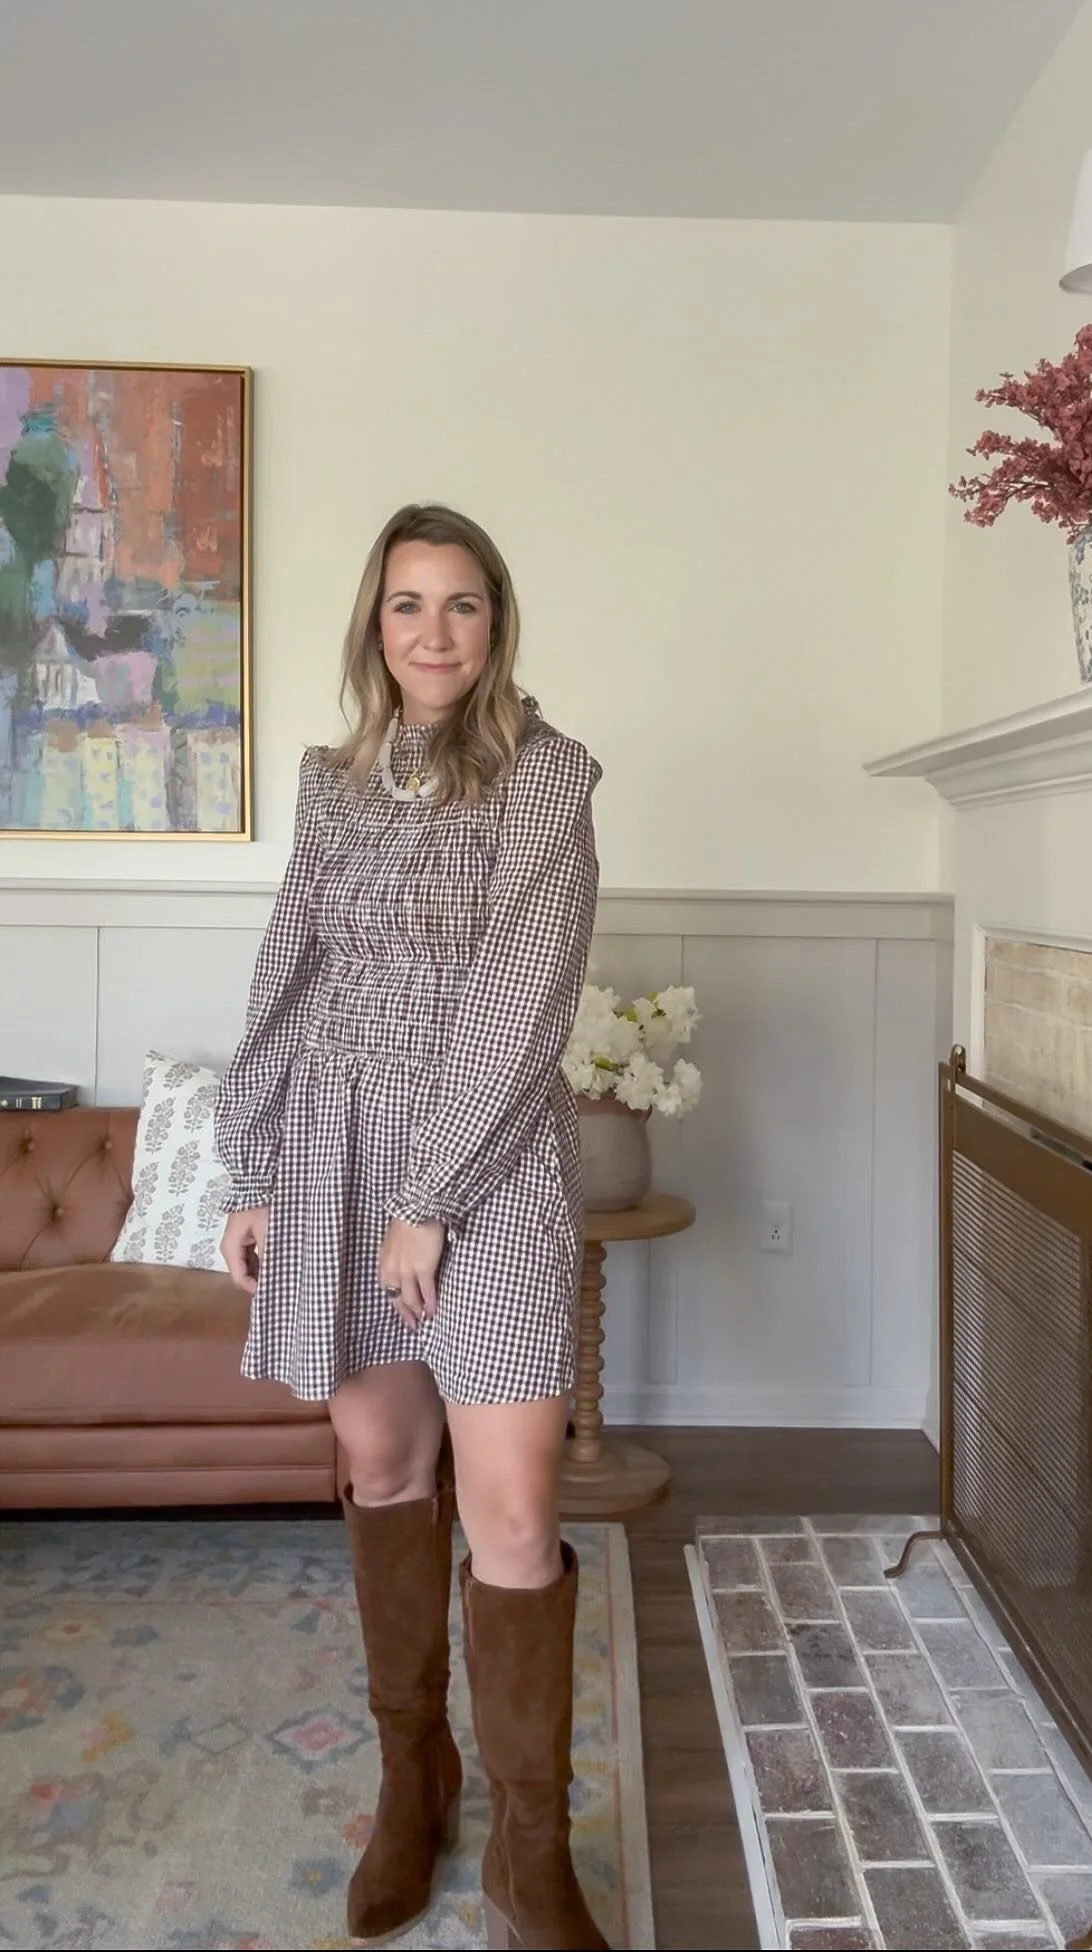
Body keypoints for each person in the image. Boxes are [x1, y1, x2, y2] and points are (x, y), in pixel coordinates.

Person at [215, 503, 609, 1952]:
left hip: (484, 1170)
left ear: (495, 622)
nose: (433, 632)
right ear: (373, 628)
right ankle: (411, 1786)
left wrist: (429, 1201)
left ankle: (529, 1854)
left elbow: (524, 1002)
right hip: (331, 1152)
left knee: (512, 1514)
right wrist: (253, 1168)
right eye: (406, 605)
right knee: (384, 1469)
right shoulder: (329, 788)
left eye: (460, 604)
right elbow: (290, 968)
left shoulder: (547, 778)